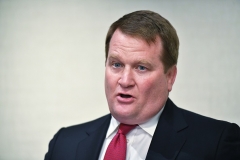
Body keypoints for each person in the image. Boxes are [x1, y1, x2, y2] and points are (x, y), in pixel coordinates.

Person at [44, 10, 240, 160]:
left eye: (141, 67)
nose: (125, 81)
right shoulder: (64, 144)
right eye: (117, 64)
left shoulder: (216, 143)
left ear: (170, 77)